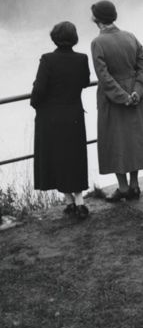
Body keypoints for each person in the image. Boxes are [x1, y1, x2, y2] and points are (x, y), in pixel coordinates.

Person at [90, 0, 143, 201]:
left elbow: (103, 76)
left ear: (97, 19)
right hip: (135, 95)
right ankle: (135, 185)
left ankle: (123, 187)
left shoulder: (98, 42)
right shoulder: (130, 36)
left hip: (113, 100)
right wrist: (137, 91)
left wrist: (122, 97)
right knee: (134, 139)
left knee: (115, 140)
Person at [31, 21, 91, 218]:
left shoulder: (47, 60)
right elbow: (85, 82)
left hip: (51, 117)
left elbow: (39, 90)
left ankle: (69, 202)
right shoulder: (82, 59)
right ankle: (79, 201)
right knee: (74, 156)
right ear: (74, 38)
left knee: (57, 157)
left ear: (54, 38)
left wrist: (36, 104)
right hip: (74, 115)